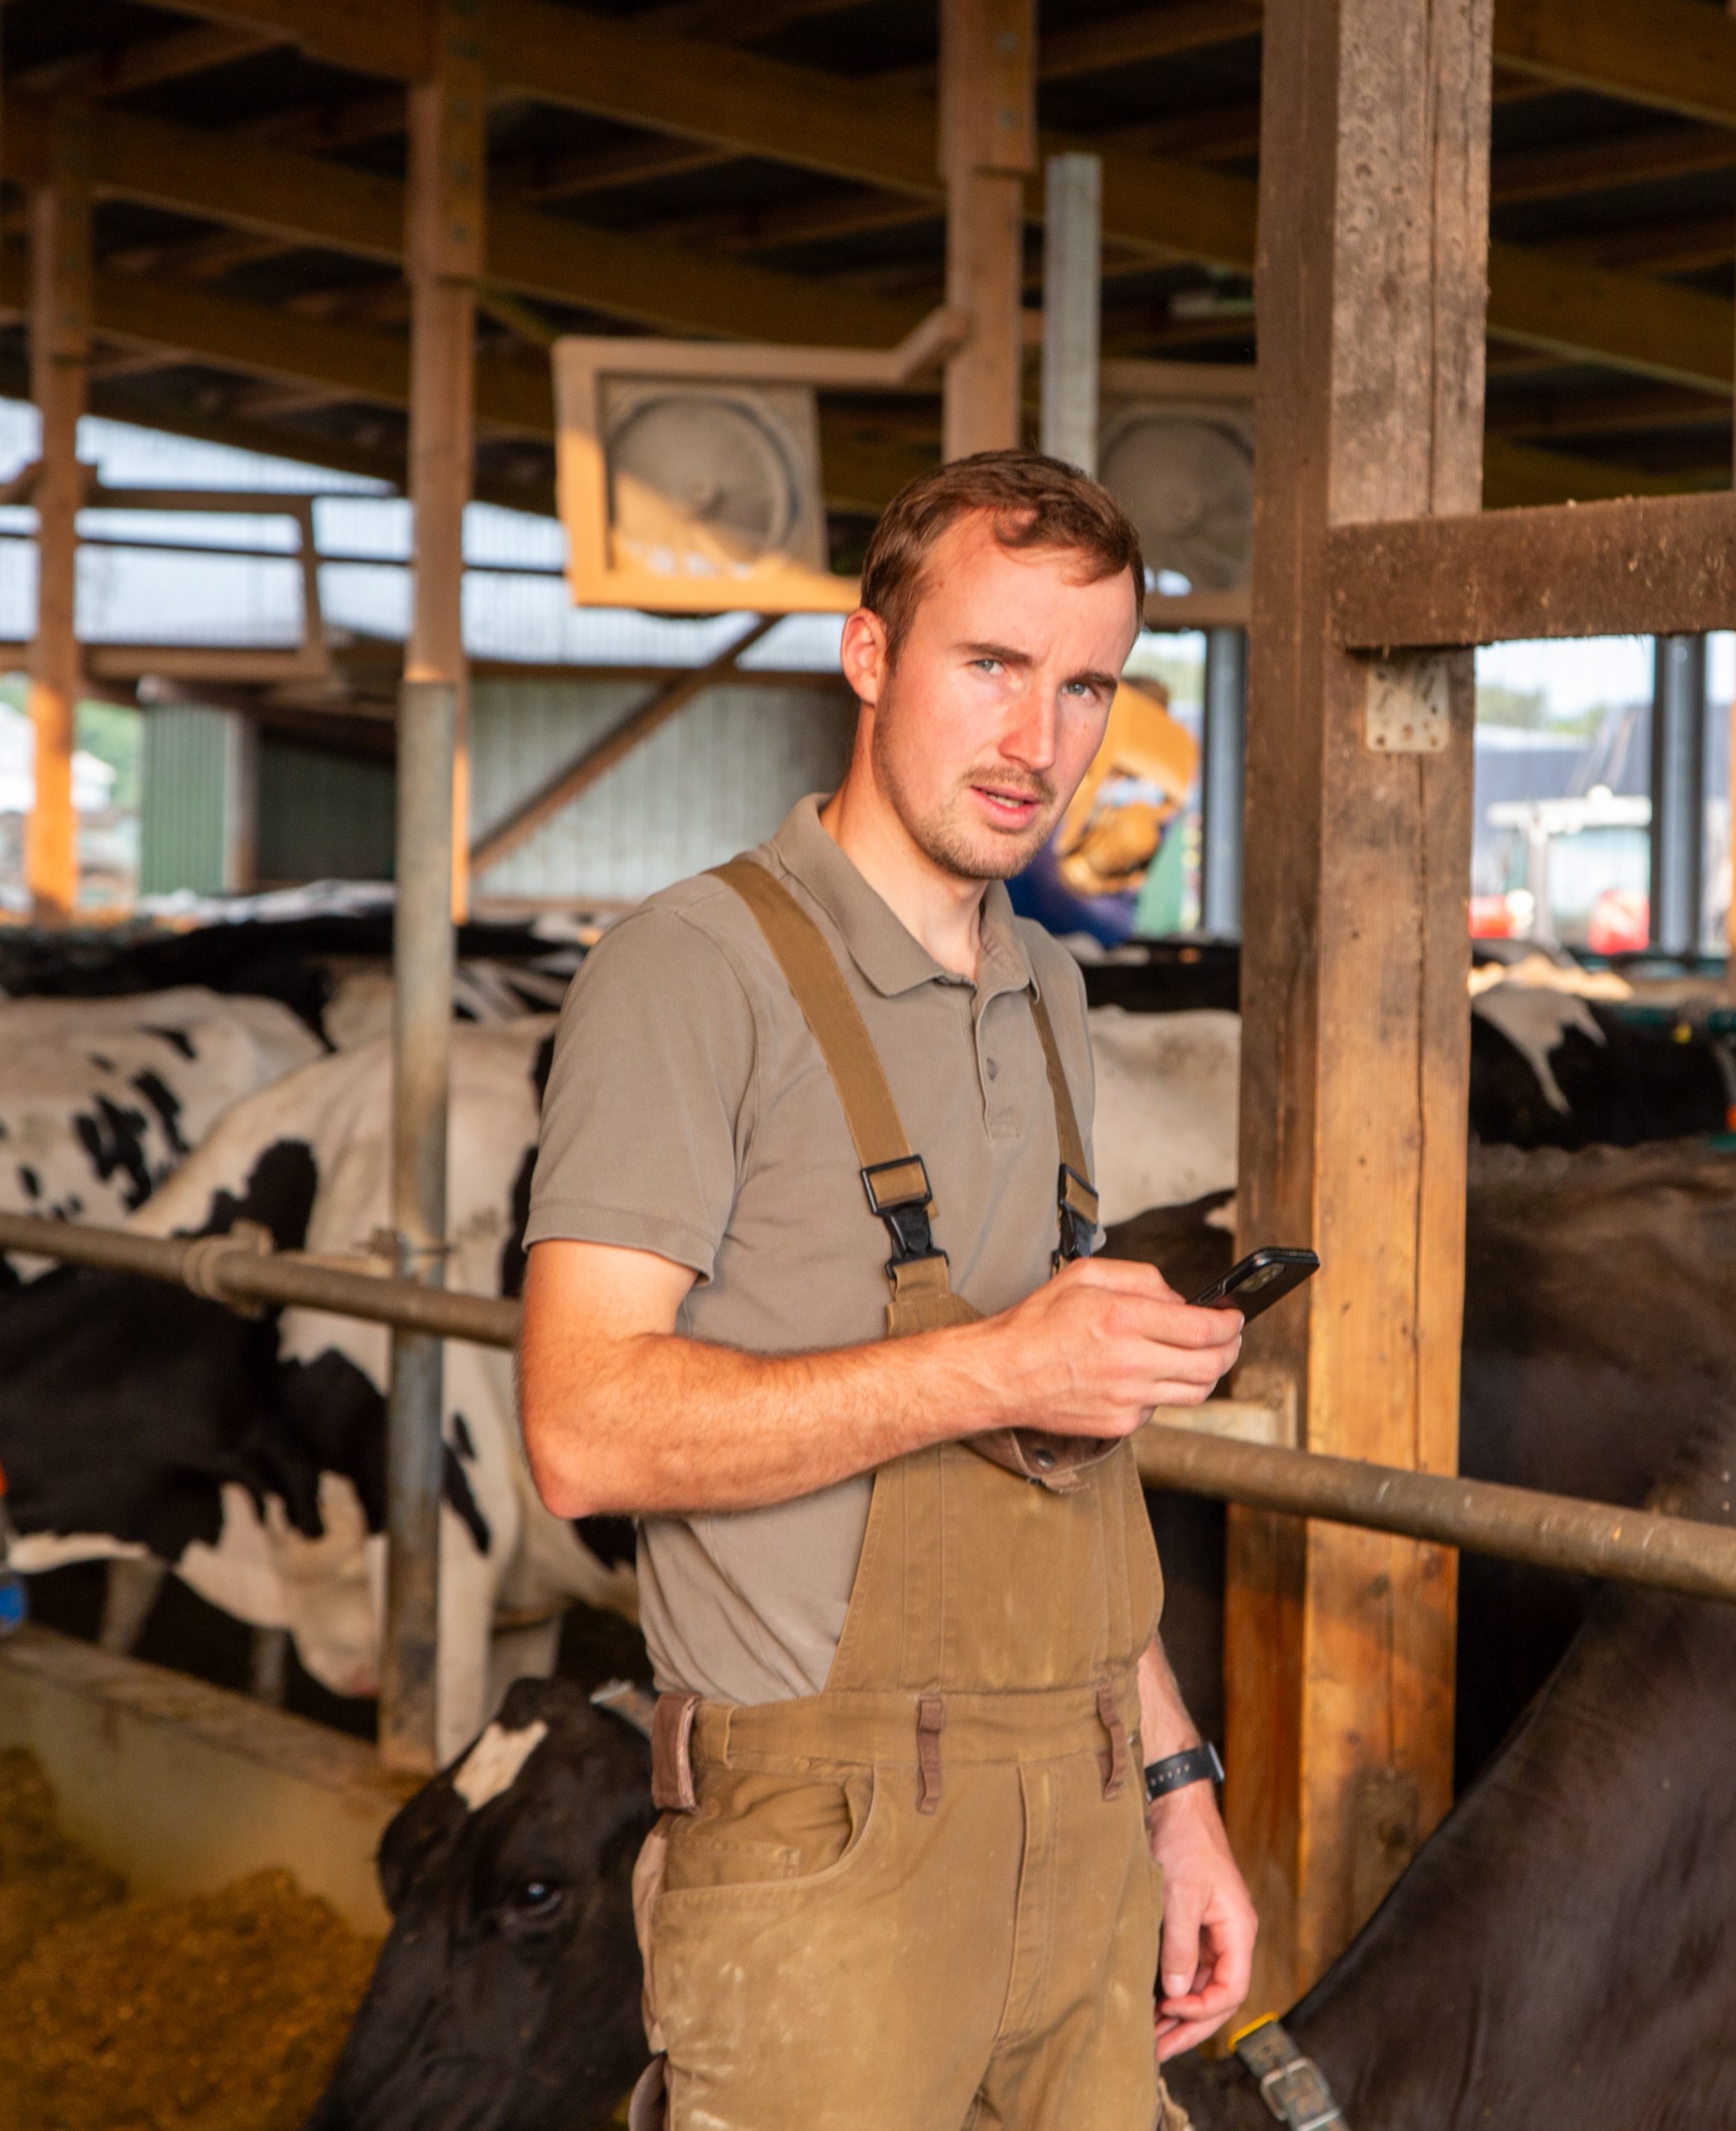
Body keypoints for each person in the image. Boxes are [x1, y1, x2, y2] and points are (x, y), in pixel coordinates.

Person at [522, 450, 1258, 2131]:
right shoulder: (688, 970)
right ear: (868, 657)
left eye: (1087, 686)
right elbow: (582, 1426)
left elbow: (1063, 1460)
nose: (1039, 740)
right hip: (827, 1861)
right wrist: (998, 1363)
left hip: (1079, 1838)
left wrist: (1170, 1786)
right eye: (988, 665)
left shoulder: (1049, 987)